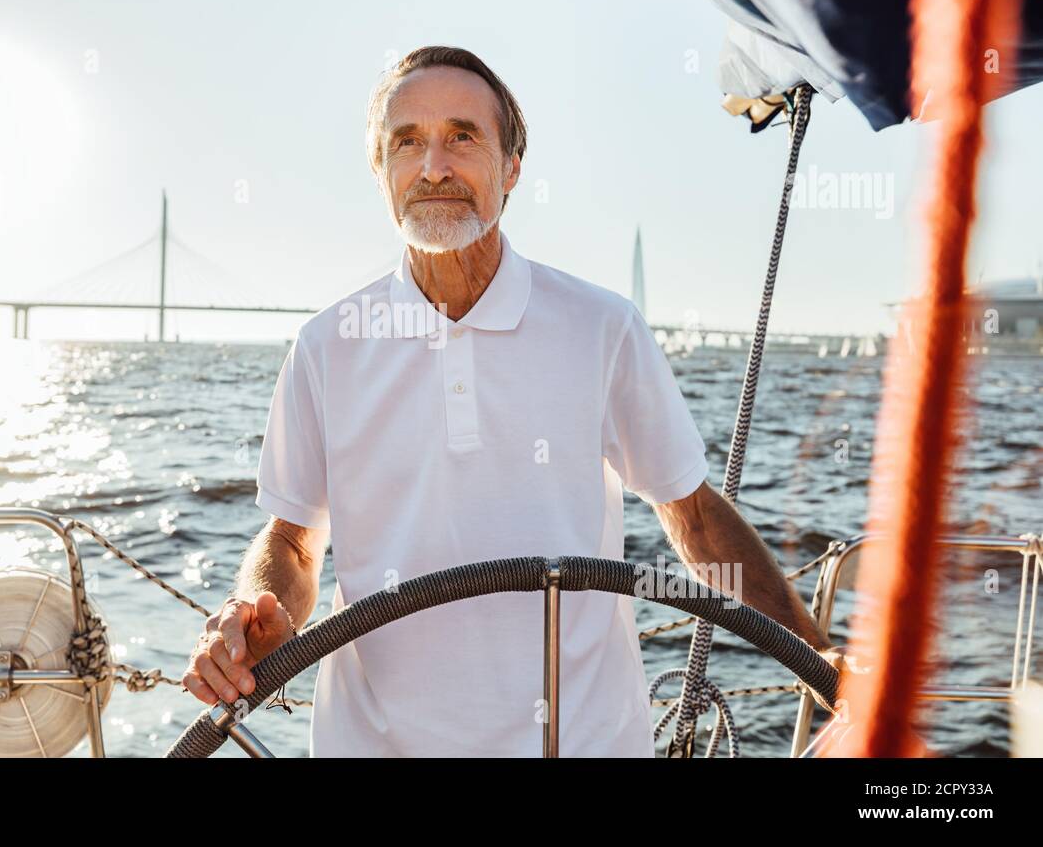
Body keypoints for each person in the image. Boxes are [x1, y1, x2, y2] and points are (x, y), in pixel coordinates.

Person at [181, 45, 848, 756]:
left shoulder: (601, 327)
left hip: (585, 740)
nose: (433, 166)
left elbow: (692, 515)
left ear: (512, 168)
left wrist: (820, 663)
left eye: (462, 137)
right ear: (381, 173)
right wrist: (258, 610)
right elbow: (291, 539)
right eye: (406, 143)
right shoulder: (325, 346)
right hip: (374, 744)